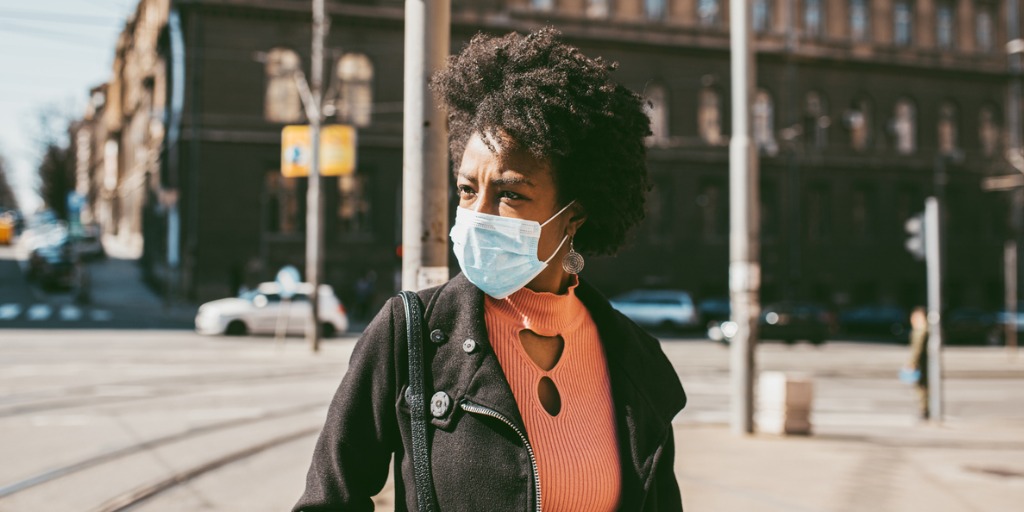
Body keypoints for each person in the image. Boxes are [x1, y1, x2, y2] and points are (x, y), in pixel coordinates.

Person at [294, 28, 686, 512]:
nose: (479, 214)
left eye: (510, 195)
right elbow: (328, 500)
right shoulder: (411, 333)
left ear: (575, 216)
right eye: (466, 190)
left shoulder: (632, 358)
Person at [904, 306, 929, 419]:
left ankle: (924, 410)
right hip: (924, 363)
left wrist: (912, 363)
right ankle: (925, 409)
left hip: (921, 364)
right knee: (923, 387)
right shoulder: (924, 330)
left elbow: (916, 350)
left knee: (921, 388)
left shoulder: (921, 331)